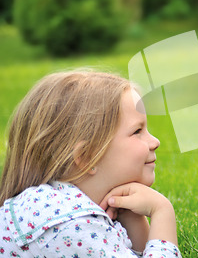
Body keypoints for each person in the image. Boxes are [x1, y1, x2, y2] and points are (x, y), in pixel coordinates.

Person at [0, 70, 181, 257]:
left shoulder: (58, 206)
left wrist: (131, 217)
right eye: (137, 131)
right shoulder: (70, 223)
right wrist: (162, 211)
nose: (155, 142)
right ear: (87, 157)